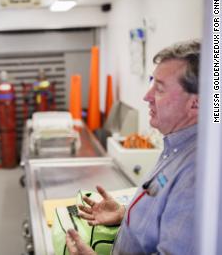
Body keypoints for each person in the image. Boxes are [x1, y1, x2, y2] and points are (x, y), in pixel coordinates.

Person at [66, 40, 200, 255]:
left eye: (159, 88)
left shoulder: (197, 174)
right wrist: (126, 214)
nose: (146, 97)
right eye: (151, 83)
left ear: (196, 104)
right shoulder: (176, 146)